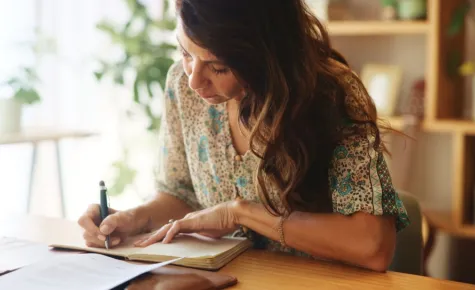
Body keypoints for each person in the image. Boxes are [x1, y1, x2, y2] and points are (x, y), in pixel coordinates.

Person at [78, 0, 410, 272]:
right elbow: (180, 194)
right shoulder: (181, 83)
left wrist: (242, 212)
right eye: (185, 52)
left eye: (218, 67)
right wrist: (135, 218)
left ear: (267, 54)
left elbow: (372, 246)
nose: (194, 80)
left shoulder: (331, 94)